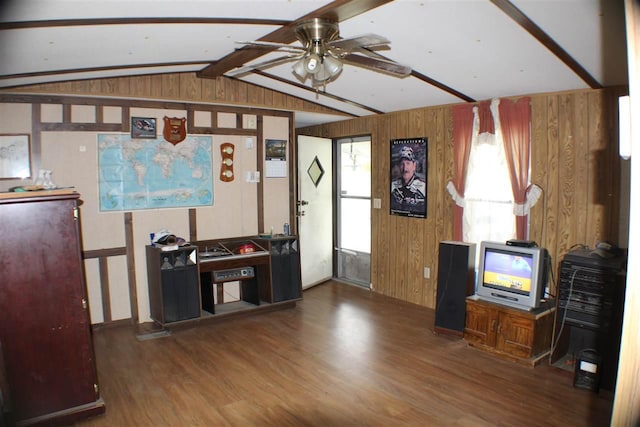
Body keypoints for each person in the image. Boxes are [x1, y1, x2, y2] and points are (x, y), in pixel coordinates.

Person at [391, 146, 426, 213]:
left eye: (408, 163)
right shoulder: (392, 185)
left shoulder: (423, 187)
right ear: (398, 166)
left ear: (414, 166)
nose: (405, 168)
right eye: (402, 164)